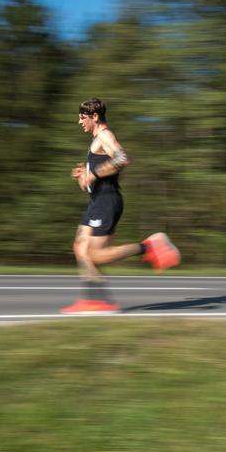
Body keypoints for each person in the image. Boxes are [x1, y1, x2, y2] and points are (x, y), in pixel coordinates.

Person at [61, 97, 181, 314]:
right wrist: (83, 176)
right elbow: (91, 182)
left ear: (94, 116)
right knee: (80, 248)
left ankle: (149, 246)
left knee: (95, 255)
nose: (79, 122)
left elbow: (122, 158)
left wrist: (93, 174)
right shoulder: (95, 141)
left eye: (82, 118)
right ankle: (94, 300)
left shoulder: (104, 136)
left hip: (107, 202)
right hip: (96, 201)